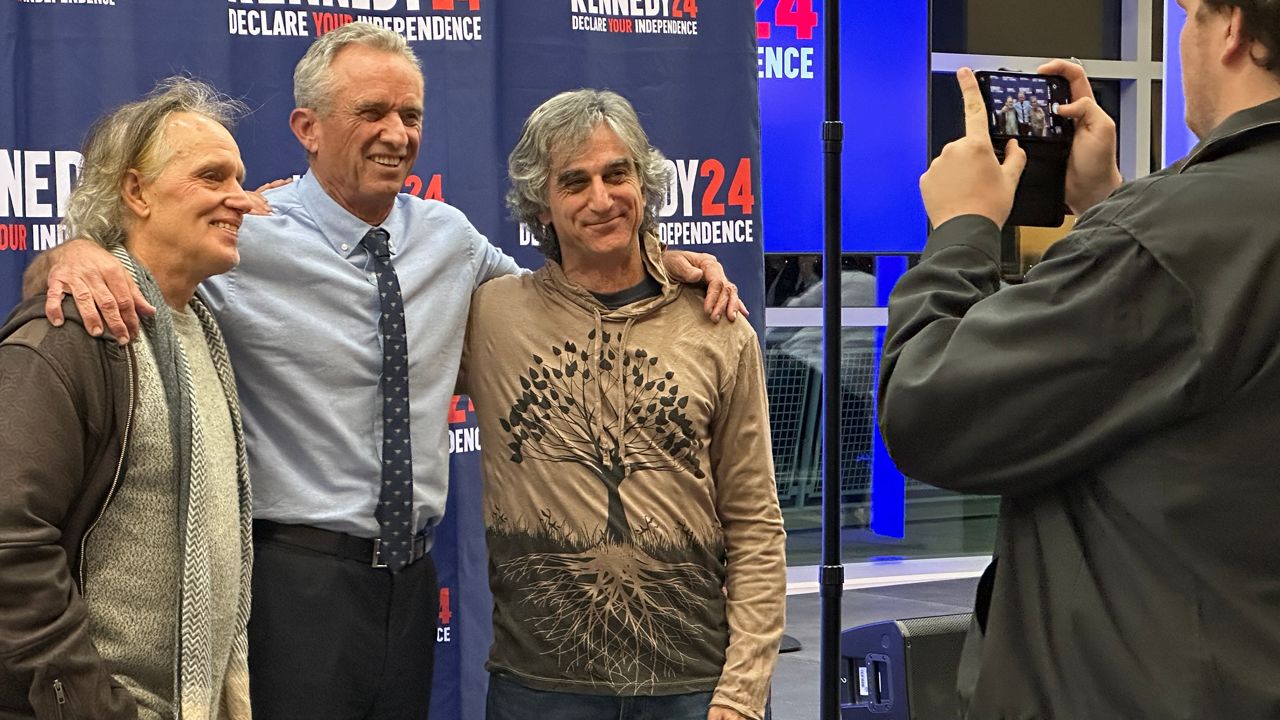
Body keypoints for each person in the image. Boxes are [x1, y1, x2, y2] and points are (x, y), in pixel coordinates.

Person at [30, 22, 744, 720]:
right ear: (307, 127)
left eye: (411, 114)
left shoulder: (451, 238)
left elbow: (559, 303)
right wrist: (73, 255)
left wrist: (657, 262)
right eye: (371, 112)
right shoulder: (241, 230)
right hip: (290, 583)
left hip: (411, 585)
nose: (396, 133)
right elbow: (122, 275)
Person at [877, 0, 1280, 715]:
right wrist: (1110, 206)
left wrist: (962, 231)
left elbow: (928, 404)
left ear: (1235, 31)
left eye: (1190, 17)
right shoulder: (1178, 239)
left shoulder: (1168, 241)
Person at [460, 90, 786, 720]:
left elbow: (753, 521)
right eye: (574, 182)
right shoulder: (491, 316)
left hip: (693, 687)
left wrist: (743, 693)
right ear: (542, 205)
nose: (602, 199)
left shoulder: (718, 325)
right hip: (538, 689)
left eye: (618, 173)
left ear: (645, 181)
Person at [0, 78, 254, 720]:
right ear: (136, 191)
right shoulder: (69, 337)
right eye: (212, 177)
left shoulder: (200, 327)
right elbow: (9, 541)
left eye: (240, 177)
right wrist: (84, 703)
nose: (241, 199)